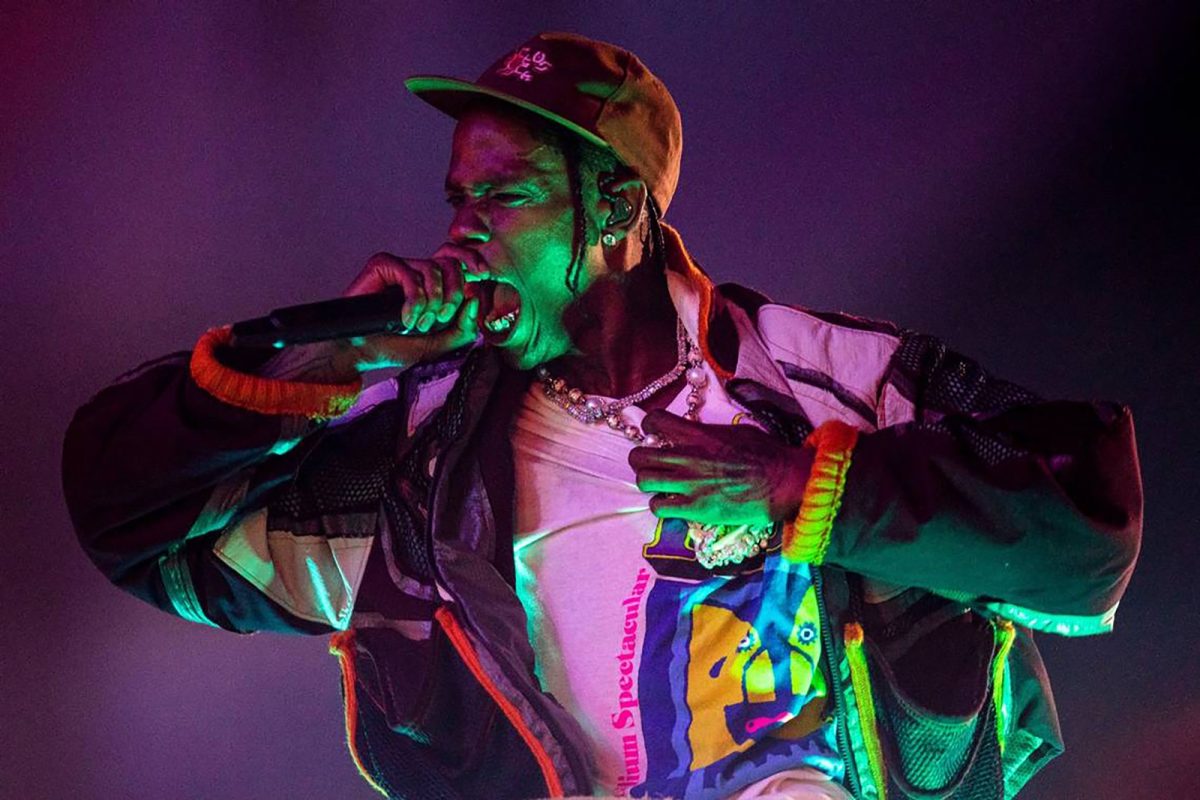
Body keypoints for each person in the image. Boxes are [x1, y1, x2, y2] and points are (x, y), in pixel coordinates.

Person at [62, 32, 1142, 800]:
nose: (466, 232)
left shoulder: (821, 378)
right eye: (457, 199)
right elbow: (130, 520)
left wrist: (806, 488)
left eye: (506, 196)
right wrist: (332, 359)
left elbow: (1087, 526)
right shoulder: (416, 471)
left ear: (618, 208)